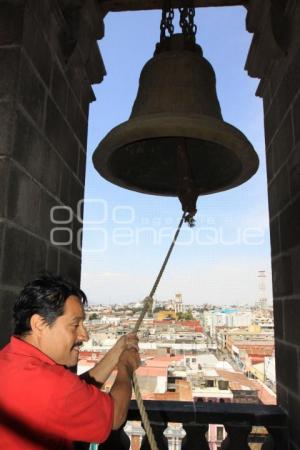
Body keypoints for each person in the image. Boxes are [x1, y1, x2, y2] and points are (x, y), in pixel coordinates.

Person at [0, 274, 140, 449]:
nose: (85, 335)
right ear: (39, 324)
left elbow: (73, 394)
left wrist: (116, 352)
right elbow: (115, 416)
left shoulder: (10, 357)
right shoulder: (53, 385)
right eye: (75, 325)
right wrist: (125, 366)